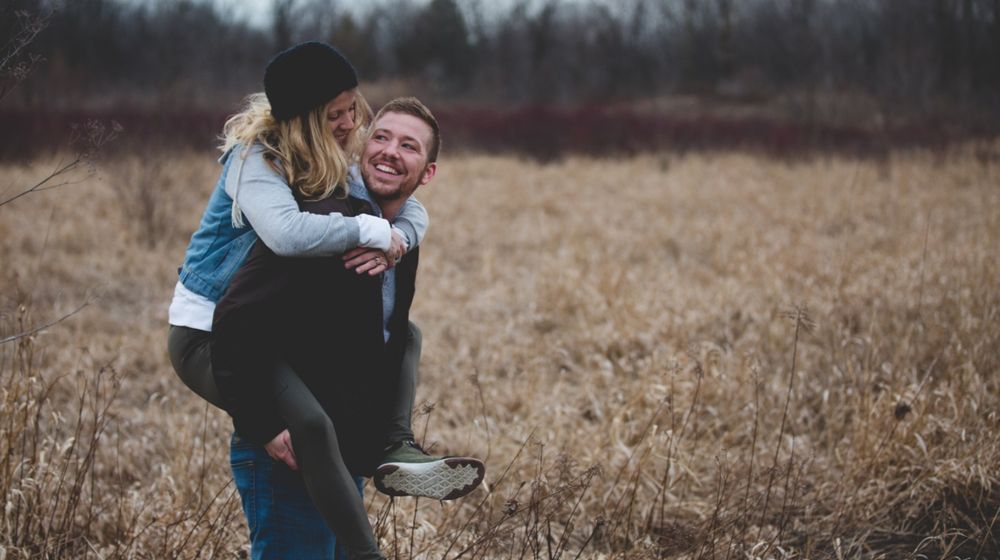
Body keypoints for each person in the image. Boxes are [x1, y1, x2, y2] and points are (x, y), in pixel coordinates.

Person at [165, 42, 482, 558]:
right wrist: (370, 230)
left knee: (406, 336)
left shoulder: (330, 162)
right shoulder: (254, 161)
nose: (349, 122)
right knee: (308, 425)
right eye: (335, 114)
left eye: (352, 108)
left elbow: (405, 203)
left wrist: (397, 237)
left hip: (260, 330)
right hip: (209, 331)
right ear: (305, 119)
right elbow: (288, 234)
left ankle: (394, 445)